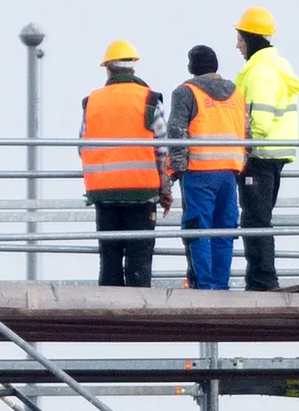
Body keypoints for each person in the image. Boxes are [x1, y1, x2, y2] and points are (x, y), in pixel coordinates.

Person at [78, 40, 170, 287]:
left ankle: (108, 319)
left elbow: (82, 145)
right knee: (139, 261)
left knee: (109, 260)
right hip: (142, 193)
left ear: (108, 69)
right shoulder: (149, 100)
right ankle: (139, 319)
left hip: (104, 194)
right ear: (133, 69)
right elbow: (163, 148)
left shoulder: (92, 101)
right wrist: (165, 187)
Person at [233, 6, 299, 291]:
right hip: (276, 152)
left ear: (250, 38)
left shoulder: (260, 72)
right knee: (260, 217)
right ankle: (262, 278)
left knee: (254, 219)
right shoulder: (276, 66)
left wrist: (243, 148)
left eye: (240, 38)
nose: (237, 45)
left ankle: (262, 280)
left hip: (260, 154)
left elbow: (259, 120)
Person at [166, 45, 246, 291]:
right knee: (225, 229)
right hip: (229, 173)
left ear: (192, 67)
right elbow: (248, 133)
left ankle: (205, 285)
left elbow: (176, 133)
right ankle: (221, 285)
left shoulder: (185, 92)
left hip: (199, 171)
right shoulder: (236, 93)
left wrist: (176, 171)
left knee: (197, 228)